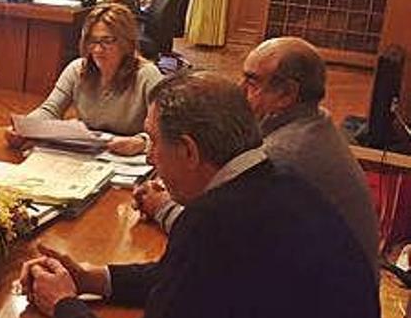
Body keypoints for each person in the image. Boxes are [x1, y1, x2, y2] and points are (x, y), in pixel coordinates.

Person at [18, 72, 381, 318]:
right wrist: (91, 280)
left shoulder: (215, 220)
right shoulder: (279, 177)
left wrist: (63, 305)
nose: (150, 158)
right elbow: (190, 279)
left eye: (154, 141)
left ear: (190, 150)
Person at [134, 37, 380, 276]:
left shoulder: (282, 155)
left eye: (252, 82)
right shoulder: (312, 121)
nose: (239, 90)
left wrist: (162, 207)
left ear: (287, 94)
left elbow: (216, 235)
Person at [6, 4, 163, 155]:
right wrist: (25, 127)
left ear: (126, 42)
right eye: (92, 41)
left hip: (131, 160)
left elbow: (166, 132)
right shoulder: (77, 69)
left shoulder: (147, 75)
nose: (97, 49)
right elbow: (50, 109)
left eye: (107, 41)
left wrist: (142, 142)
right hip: (89, 154)